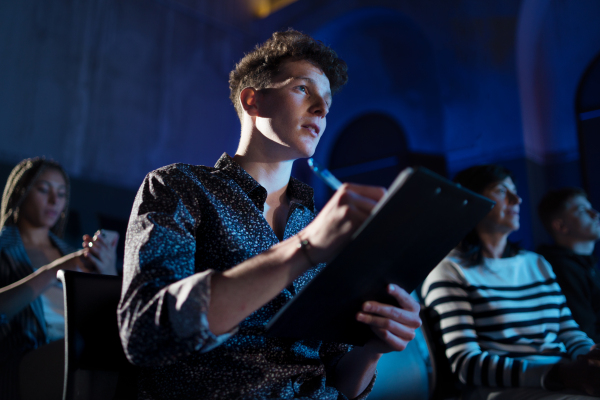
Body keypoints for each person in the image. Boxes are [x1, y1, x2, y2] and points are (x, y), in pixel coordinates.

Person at [118, 29, 422, 399]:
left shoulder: (316, 223)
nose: (322, 110)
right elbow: (145, 335)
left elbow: (340, 381)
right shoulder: (179, 187)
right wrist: (304, 249)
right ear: (252, 101)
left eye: (327, 102)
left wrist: (374, 347)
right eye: (302, 89)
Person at [421, 165, 600, 400]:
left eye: (514, 191)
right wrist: (560, 374)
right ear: (470, 199)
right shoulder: (450, 269)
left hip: (562, 377)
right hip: (505, 389)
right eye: (501, 190)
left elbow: (568, 331)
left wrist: (591, 357)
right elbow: (465, 363)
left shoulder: (536, 263)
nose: (517, 199)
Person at [0, 157, 118, 400]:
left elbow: (111, 313)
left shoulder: (71, 252)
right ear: (20, 193)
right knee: (83, 347)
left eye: (62, 194)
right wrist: (55, 270)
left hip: (77, 349)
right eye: (44, 190)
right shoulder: (4, 248)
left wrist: (107, 271)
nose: (55, 201)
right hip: (26, 357)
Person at [537, 187, 600, 343]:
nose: (595, 214)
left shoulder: (588, 266)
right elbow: (585, 332)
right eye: (582, 210)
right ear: (560, 226)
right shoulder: (560, 268)